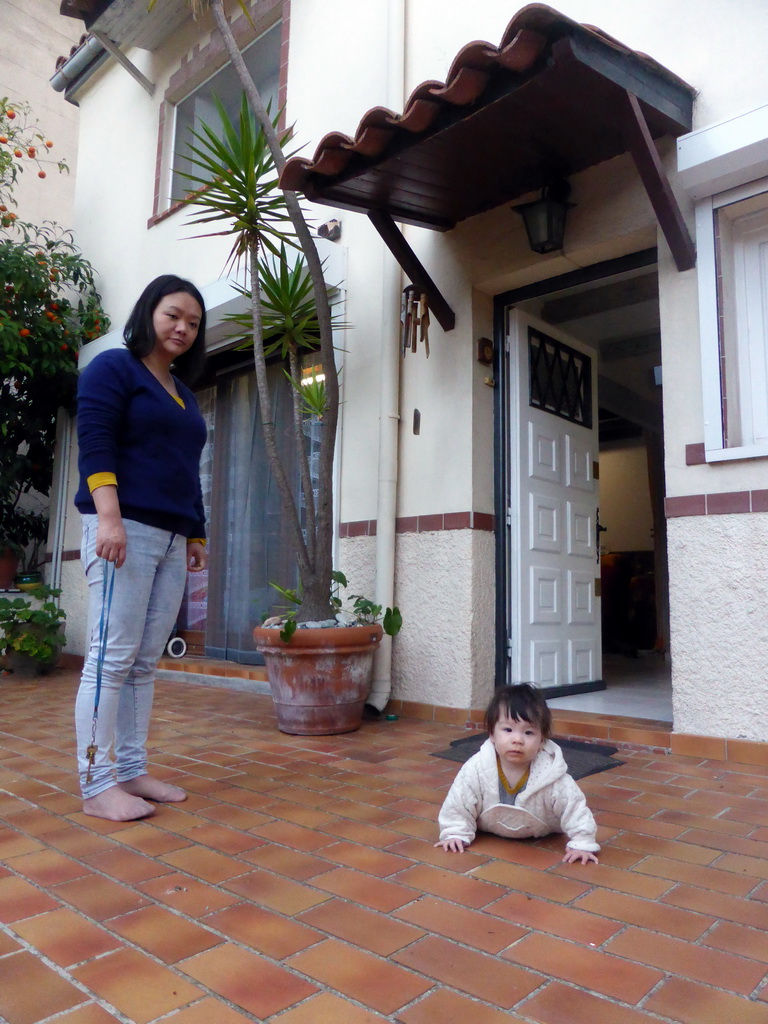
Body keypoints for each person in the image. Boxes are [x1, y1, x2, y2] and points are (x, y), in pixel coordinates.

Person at [73, 274, 209, 821]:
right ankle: (95, 781)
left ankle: (129, 768)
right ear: (149, 311)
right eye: (173, 315)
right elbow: (96, 440)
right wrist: (108, 519)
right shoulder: (113, 367)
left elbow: (186, 470)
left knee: (142, 662)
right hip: (122, 528)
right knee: (109, 658)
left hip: (171, 537)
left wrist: (195, 533)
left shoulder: (183, 392)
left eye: (194, 323)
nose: (183, 328)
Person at [435, 684, 600, 863]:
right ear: (492, 733)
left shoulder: (552, 775)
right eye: (507, 730)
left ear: (542, 740)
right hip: (489, 828)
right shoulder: (477, 767)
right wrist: (454, 832)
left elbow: (574, 807)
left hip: (540, 831)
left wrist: (582, 841)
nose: (517, 740)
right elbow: (459, 801)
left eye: (528, 732)